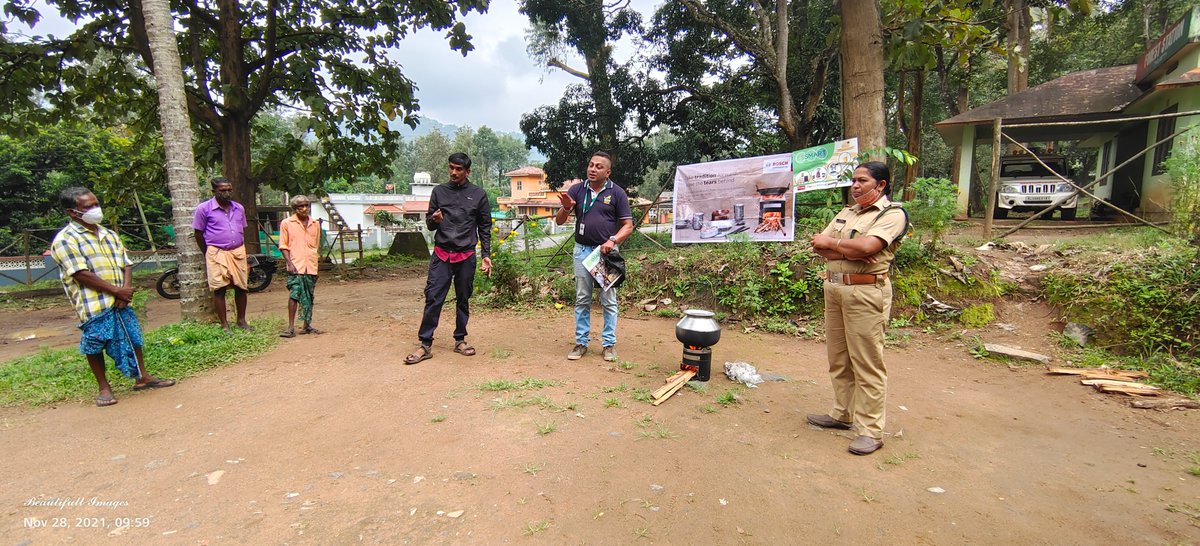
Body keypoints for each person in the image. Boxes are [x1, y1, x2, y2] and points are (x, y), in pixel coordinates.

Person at [807, 161, 908, 455]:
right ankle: (842, 414)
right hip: (836, 288)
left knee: (867, 362)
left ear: (881, 185)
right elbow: (819, 245)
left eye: (862, 180)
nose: (855, 185)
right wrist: (845, 246)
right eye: (853, 180)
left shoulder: (892, 214)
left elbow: (867, 248)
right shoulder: (848, 212)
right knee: (838, 357)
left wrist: (837, 244)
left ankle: (871, 431)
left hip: (866, 291)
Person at [50, 187, 176, 407]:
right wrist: (116, 291)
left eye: (95, 204)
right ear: (72, 212)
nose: (95, 209)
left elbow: (125, 263)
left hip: (120, 298)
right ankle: (104, 387)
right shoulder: (65, 240)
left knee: (132, 337)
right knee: (95, 342)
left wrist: (124, 291)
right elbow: (80, 273)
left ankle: (142, 377)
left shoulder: (108, 234)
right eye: (87, 207)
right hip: (93, 302)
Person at [404, 153, 493, 364]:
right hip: (442, 254)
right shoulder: (439, 192)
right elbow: (429, 224)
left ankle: (460, 339)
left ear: (467, 171)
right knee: (433, 297)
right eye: (451, 168)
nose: (454, 172)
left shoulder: (478, 194)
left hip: (466, 255)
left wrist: (486, 255)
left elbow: (485, 227)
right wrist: (434, 220)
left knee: (463, 299)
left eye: (459, 169)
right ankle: (425, 344)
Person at [554, 151, 634, 362]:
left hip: (604, 254)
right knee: (582, 298)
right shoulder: (577, 190)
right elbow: (560, 221)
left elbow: (628, 226)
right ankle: (581, 343)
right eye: (591, 165)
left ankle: (608, 345)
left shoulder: (617, 193)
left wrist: (612, 241)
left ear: (607, 172)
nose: (593, 169)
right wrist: (565, 207)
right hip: (582, 251)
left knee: (608, 300)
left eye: (599, 166)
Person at [192, 177, 252, 333]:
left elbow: (242, 230)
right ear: (214, 191)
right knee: (220, 288)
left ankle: (241, 320)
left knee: (241, 287)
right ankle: (224, 325)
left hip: (237, 251)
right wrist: (207, 252)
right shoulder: (204, 209)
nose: (227, 193)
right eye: (223, 190)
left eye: (229, 190)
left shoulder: (239, 208)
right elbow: (198, 233)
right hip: (216, 251)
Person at [278, 195, 323, 338]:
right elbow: (283, 246)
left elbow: (315, 245)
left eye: (306, 206)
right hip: (296, 265)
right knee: (295, 294)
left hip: (311, 265)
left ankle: (307, 325)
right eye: (300, 207)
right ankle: (290, 327)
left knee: (309, 296)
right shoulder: (287, 223)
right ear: (294, 208)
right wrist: (289, 263)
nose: (304, 209)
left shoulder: (315, 224)